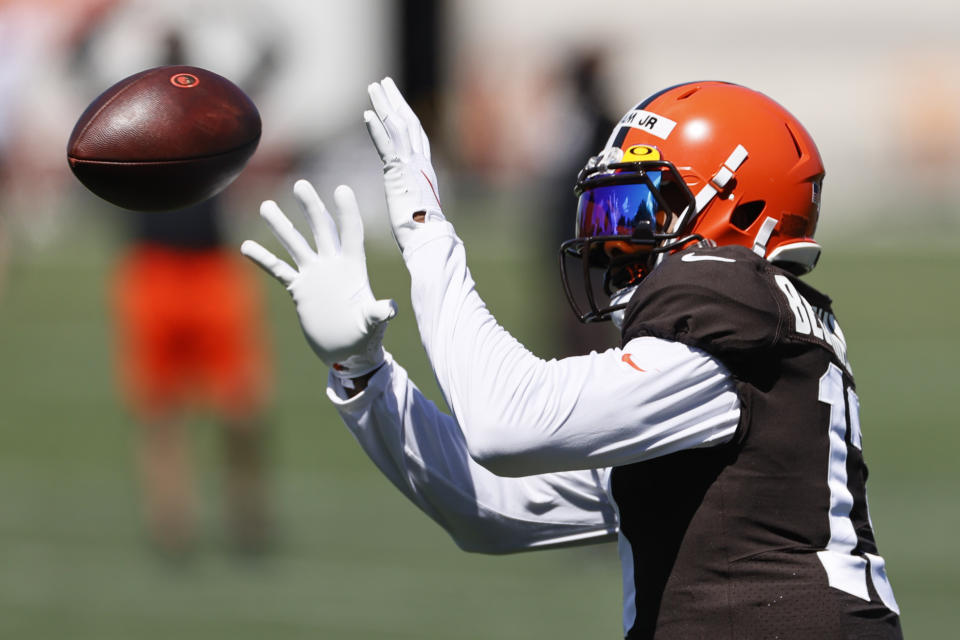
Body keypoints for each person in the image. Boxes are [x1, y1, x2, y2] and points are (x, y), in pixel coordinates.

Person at [242, 78, 903, 638]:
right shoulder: (728, 361)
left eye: (635, 207)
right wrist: (364, 375)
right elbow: (492, 508)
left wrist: (425, 227)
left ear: (739, 212)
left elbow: (505, 424)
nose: (611, 239)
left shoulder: (736, 309)